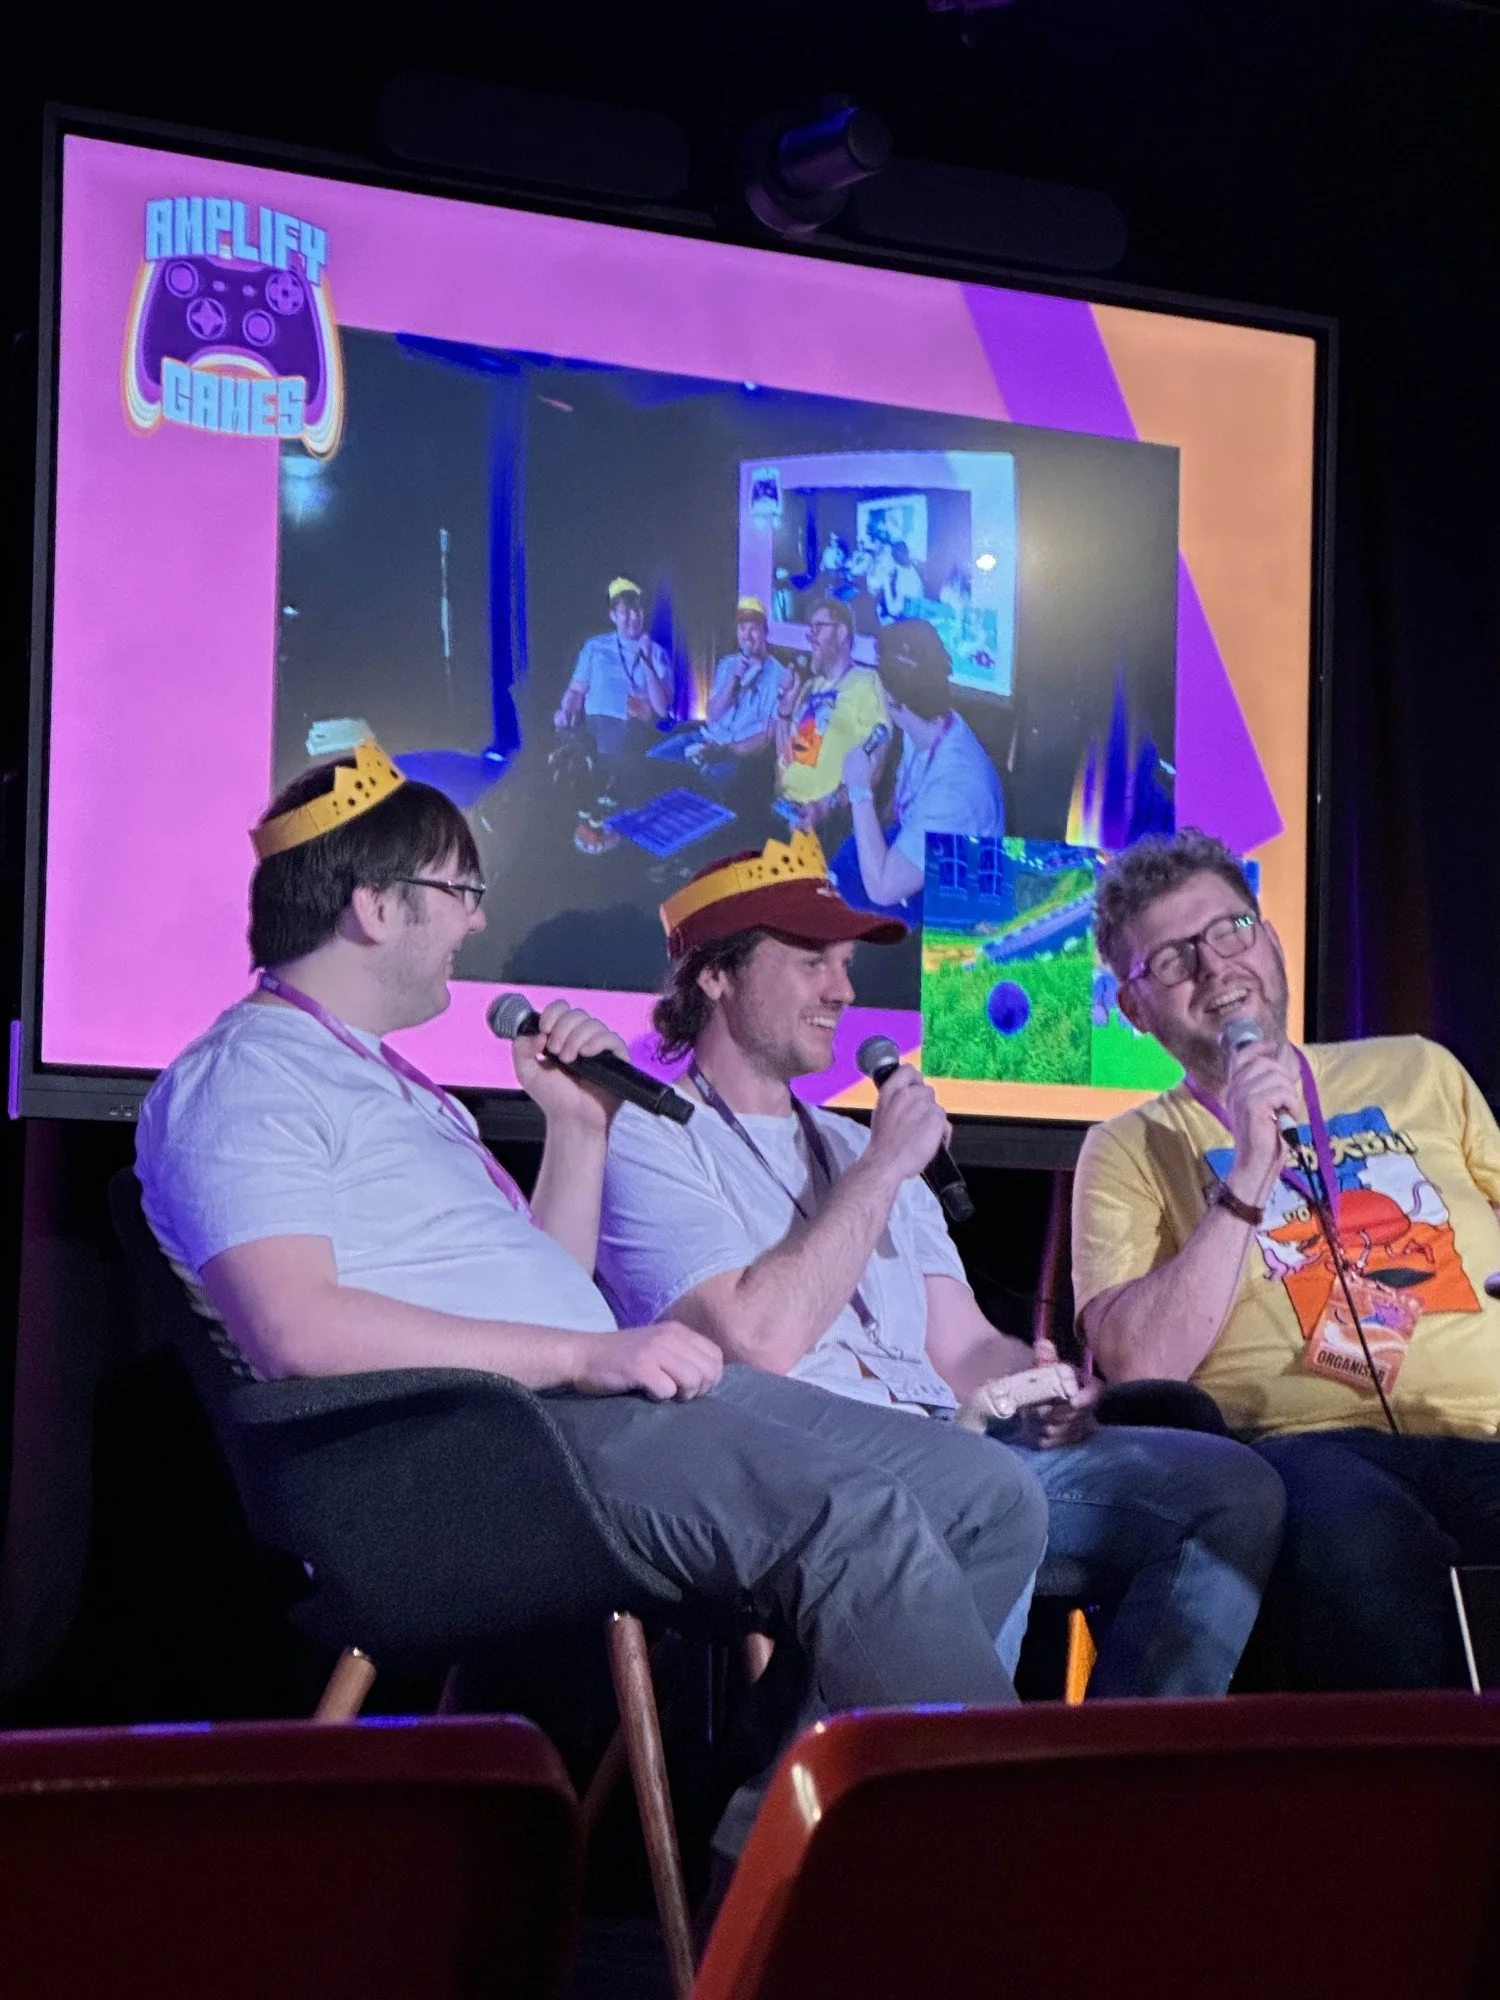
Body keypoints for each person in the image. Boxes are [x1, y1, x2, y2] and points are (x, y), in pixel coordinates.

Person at [135, 738, 1047, 1866]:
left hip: (578, 1412)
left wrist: (579, 1127)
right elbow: (297, 1329)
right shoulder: (246, 1076)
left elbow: (549, 1284)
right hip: (481, 1452)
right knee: (858, 1522)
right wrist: (580, 1355)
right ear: (374, 906)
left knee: (986, 1493)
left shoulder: (396, 1082)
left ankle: (768, 1867)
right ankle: (997, 1878)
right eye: (459, 892)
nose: (476, 921)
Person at [595, 831, 1286, 1697]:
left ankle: (1113, 1794)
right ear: (715, 973)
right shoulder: (648, 1136)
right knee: (980, 1489)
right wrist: (884, 1170)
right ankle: (931, 1797)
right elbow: (755, 1341)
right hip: (791, 1465)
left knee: (1225, 1492)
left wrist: (1035, 1380)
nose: (842, 990)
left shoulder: (852, 1138)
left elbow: (956, 1347)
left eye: (845, 964)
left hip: (955, 1439)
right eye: (812, 962)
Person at [1073, 826, 1500, 1689]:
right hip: (1302, 1451)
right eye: (1172, 960)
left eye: (1231, 930)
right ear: (1136, 1010)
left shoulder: (1419, 1068)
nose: (1216, 967)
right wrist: (1251, 1173)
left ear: (1269, 937)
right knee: (1357, 1544)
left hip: (1488, 1425)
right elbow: (1138, 1365)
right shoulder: (1129, 1146)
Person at [838, 618, 1005, 912]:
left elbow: (882, 890)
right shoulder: (925, 725)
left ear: (890, 698)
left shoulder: (957, 789)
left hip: (955, 911)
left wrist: (860, 791)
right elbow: (900, 809)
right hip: (922, 864)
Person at [775, 597, 890, 820]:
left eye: (818, 627)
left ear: (841, 633)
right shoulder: (810, 687)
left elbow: (873, 763)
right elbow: (785, 757)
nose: (811, 636)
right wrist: (784, 712)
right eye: (810, 628)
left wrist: (826, 808)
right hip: (784, 809)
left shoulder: (865, 682)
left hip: (824, 821)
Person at [554, 577, 672, 757]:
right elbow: (576, 691)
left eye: (637, 610)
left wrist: (647, 661)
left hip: (635, 730)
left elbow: (662, 709)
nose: (633, 617)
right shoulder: (595, 647)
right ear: (613, 616)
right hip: (597, 727)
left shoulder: (657, 653)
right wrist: (566, 710)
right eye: (625, 611)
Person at [688, 597, 786, 765]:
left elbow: (766, 736)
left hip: (735, 755)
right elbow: (712, 715)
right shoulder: (728, 664)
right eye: (742, 628)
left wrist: (727, 750)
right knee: (656, 760)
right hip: (706, 739)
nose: (747, 636)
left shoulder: (779, 675)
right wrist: (734, 679)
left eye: (753, 629)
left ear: (765, 632)